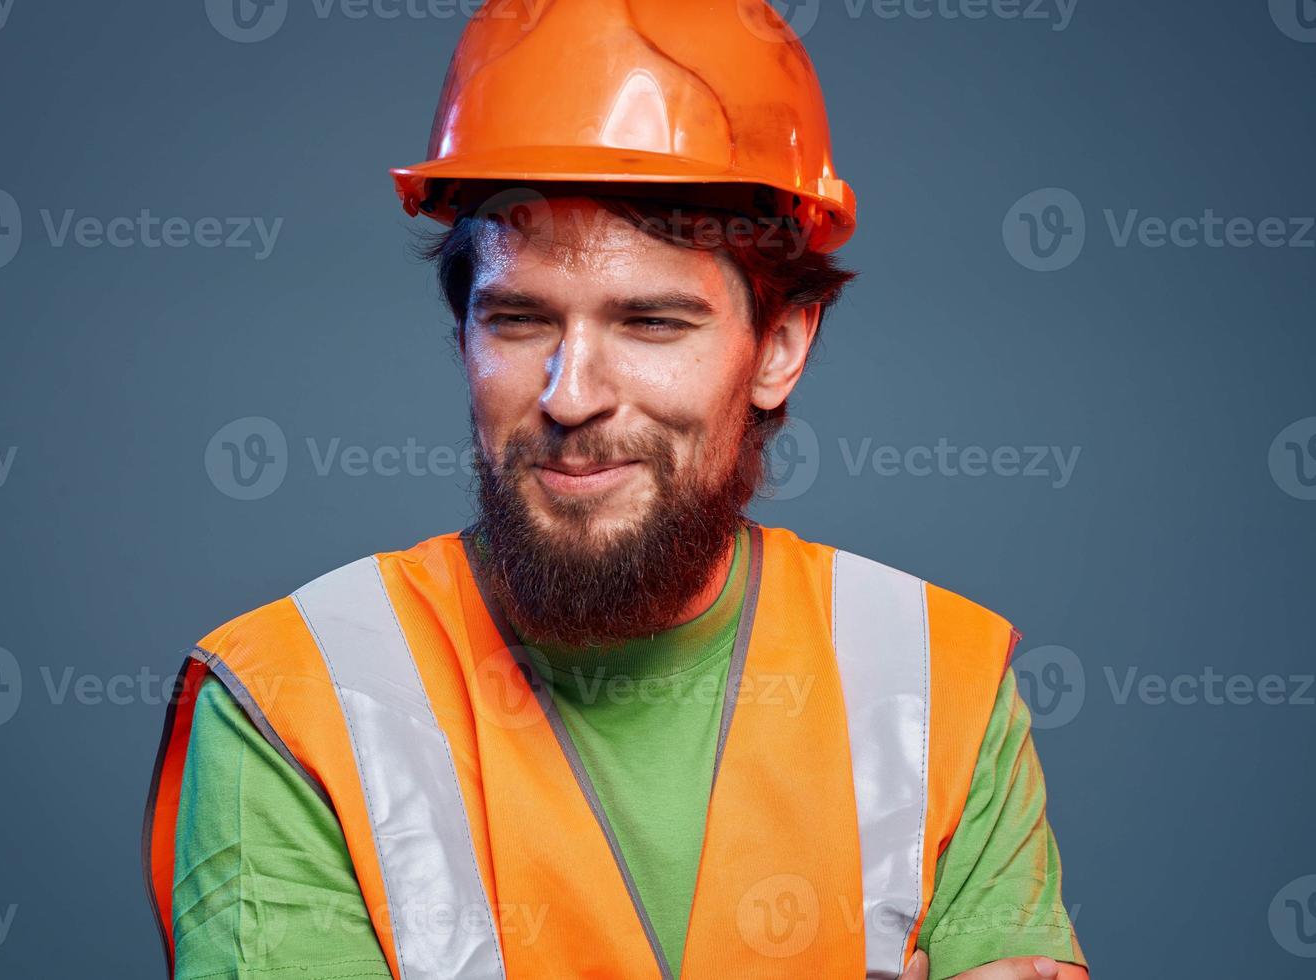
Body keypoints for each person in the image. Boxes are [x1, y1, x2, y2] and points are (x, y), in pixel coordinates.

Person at [143, 2, 1089, 978]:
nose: (573, 394)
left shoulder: (936, 682)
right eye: (517, 319)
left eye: (650, 322)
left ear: (780, 346)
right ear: (462, 332)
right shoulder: (300, 698)